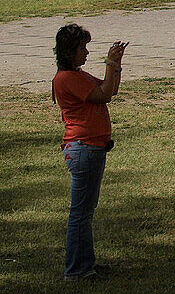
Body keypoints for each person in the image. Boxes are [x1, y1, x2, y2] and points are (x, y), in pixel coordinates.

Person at [52, 24, 127, 282]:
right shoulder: (67, 79)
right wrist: (110, 62)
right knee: (80, 213)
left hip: (90, 148)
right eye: (82, 47)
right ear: (69, 51)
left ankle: (86, 264)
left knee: (85, 211)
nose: (85, 52)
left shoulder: (78, 75)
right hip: (84, 148)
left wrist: (115, 65)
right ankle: (77, 270)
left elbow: (111, 89)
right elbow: (105, 94)